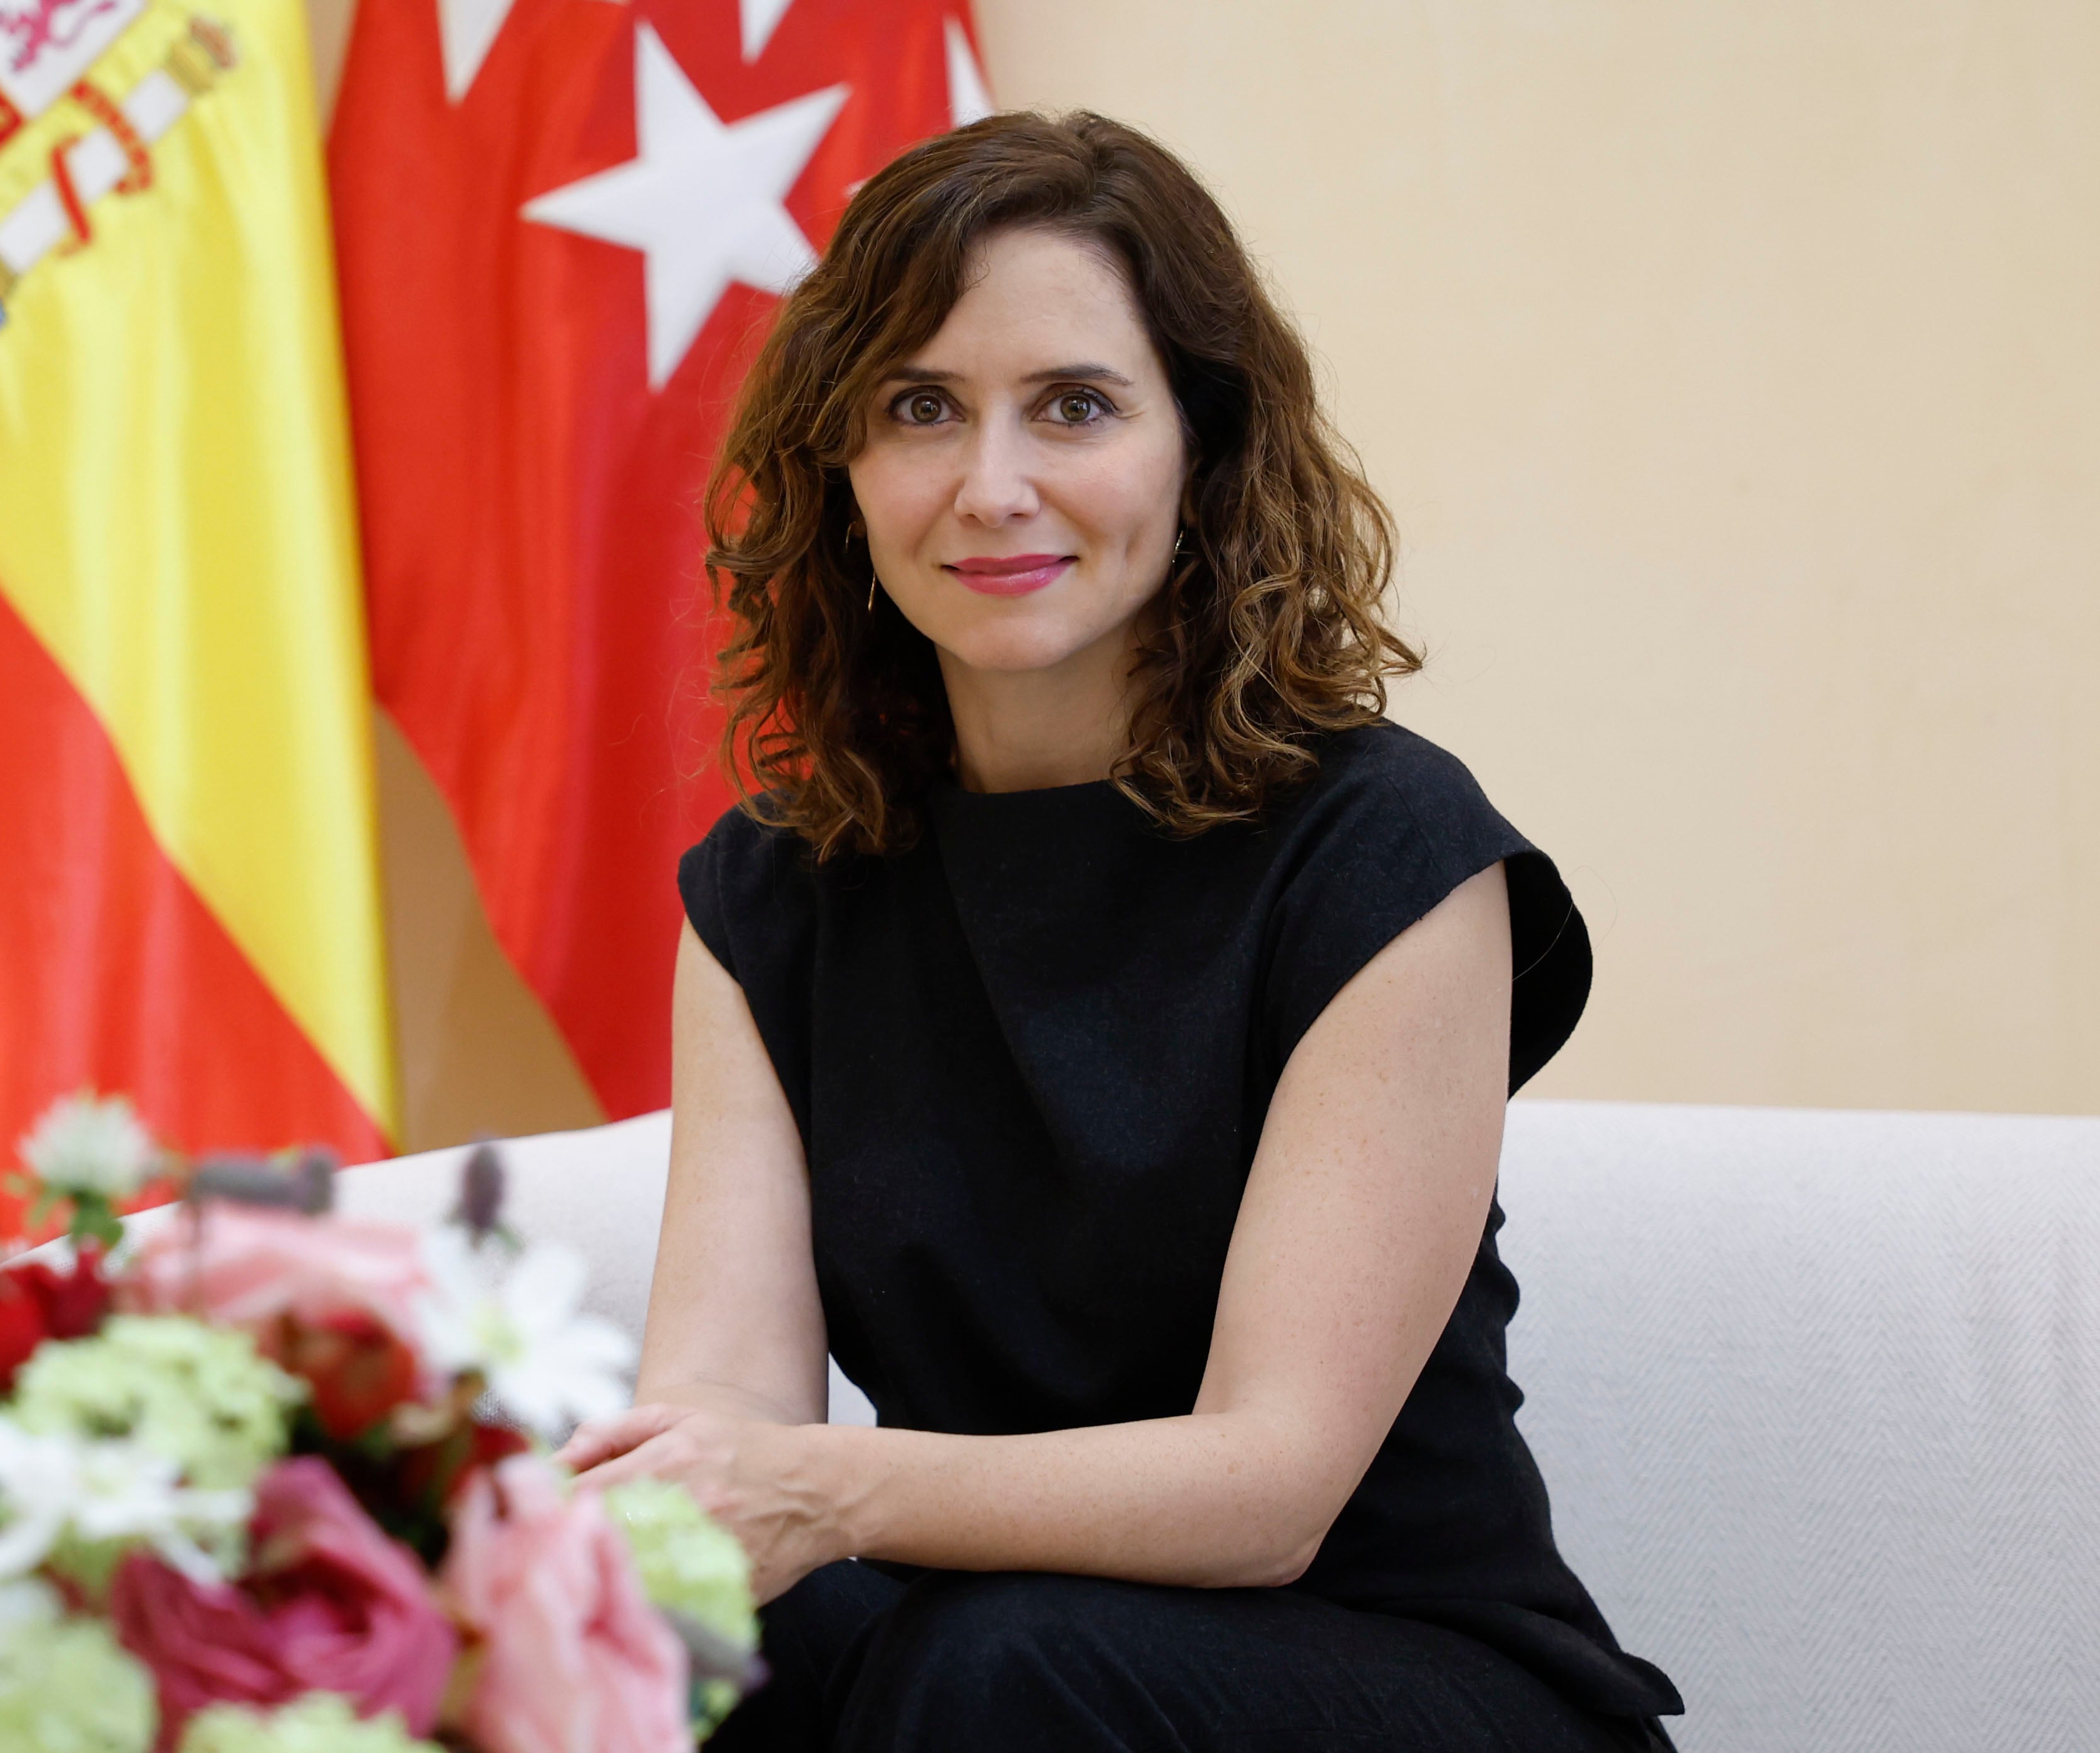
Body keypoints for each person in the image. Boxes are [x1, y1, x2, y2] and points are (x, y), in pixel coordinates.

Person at [554, 111, 1684, 1752]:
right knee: (690, 1633)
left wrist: (823, 1490)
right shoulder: (770, 895)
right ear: (841, 469)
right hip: (997, 1665)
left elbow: (1269, 1493)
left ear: (1200, 450)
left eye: (1074, 406)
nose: (991, 486)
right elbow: (723, 1424)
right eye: (919, 408)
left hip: (1404, 1678)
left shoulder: (1392, 854)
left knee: (998, 1665)